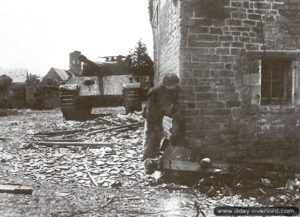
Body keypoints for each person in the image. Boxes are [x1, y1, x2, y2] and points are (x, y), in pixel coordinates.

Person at [142, 73, 184, 173]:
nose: (175, 86)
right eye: (174, 84)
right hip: (152, 116)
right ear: (167, 83)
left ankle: (155, 157)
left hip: (160, 115)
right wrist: (155, 124)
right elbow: (150, 111)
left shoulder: (173, 89)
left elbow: (173, 100)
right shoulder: (155, 92)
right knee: (151, 136)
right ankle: (147, 160)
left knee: (158, 134)